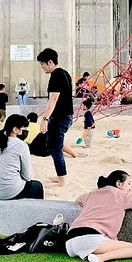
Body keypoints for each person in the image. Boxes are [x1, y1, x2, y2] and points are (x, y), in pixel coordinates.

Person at [66, 170, 132, 262]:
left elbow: (79, 199)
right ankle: (100, 258)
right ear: (119, 184)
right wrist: (129, 196)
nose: (130, 188)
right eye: (128, 184)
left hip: (70, 242)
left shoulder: (92, 193)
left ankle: (94, 255)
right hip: (90, 239)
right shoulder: (123, 196)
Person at [0, 114, 44, 200]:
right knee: (37, 186)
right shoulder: (21, 145)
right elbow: (27, 176)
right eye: (24, 130)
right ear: (15, 130)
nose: (26, 132)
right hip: (9, 191)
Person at [37, 48, 74, 186]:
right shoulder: (65, 73)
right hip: (66, 116)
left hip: (60, 117)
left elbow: (53, 99)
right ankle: (60, 176)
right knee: (55, 146)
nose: (42, 68)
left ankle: (62, 179)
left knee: (55, 148)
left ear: (50, 62)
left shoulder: (55, 75)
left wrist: (45, 119)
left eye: (43, 64)